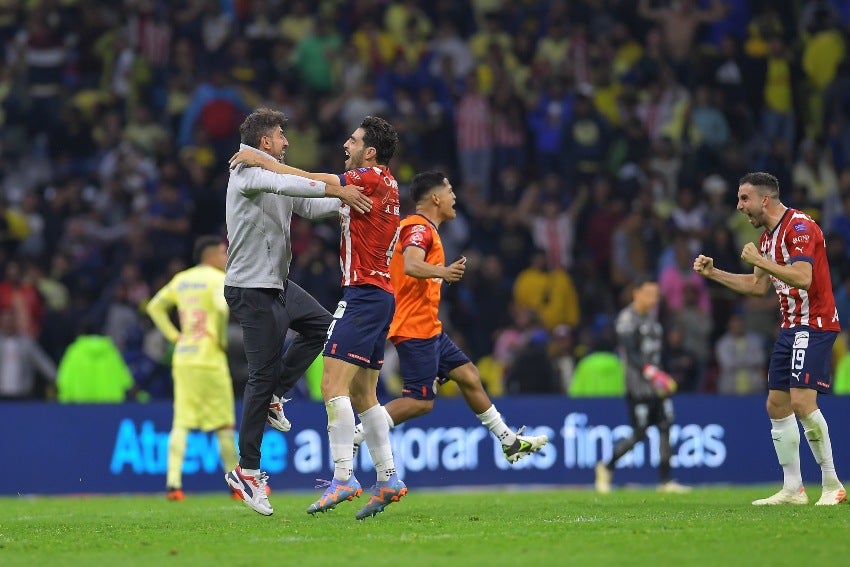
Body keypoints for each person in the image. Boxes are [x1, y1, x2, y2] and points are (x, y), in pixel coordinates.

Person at [229, 116, 406, 520]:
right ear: (263, 141)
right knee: (271, 374)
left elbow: (308, 193)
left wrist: (339, 192)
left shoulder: (367, 178)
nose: (287, 142)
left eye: (354, 139)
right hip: (253, 285)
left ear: (371, 151)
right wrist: (338, 192)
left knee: (333, 378)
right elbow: (297, 187)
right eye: (280, 137)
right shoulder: (247, 171)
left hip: (331, 290)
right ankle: (249, 470)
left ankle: (347, 476)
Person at [351, 171, 549, 465]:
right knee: (420, 402)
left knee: (469, 376)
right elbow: (412, 265)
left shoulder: (421, 227)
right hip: (414, 327)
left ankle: (509, 442)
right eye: (450, 191)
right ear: (435, 198)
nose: (454, 197)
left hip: (428, 326)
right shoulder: (418, 227)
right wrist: (444, 273)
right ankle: (354, 434)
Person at [693, 171, 846, 506]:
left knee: (803, 403)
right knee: (776, 404)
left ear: (765, 199)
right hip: (791, 327)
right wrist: (713, 273)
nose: (739, 206)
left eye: (743, 199)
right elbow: (758, 287)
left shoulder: (800, 227)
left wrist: (760, 262)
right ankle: (793, 489)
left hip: (815, 324)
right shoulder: (766, 239)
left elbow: (804, 278)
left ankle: (833, 484)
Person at [146, 236, 238, 502]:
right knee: (223, 423)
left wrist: (175, 337)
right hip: (210, 358)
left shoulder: (182, 279)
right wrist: (220, 338)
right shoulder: (216, 278)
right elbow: (221, 309)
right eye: (223, 253)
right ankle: (236, 485)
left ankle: (172, 484)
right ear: (210, 256)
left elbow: (154, 307)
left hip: (184, 356)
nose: (225, 258)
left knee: (182, 422)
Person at [594, 276, 690, 494]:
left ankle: (665, 482)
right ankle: (606, 467)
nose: (654, 299)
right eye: (649, 294)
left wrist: (663, 374)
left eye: (656, 295)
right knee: (640, 433)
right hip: (638, 387)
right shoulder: (627, 319)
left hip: (657, 386)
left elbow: (657, 354)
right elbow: (631, 352)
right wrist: (653, 373)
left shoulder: (653, 321)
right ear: (635, 293)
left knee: (666, 426)